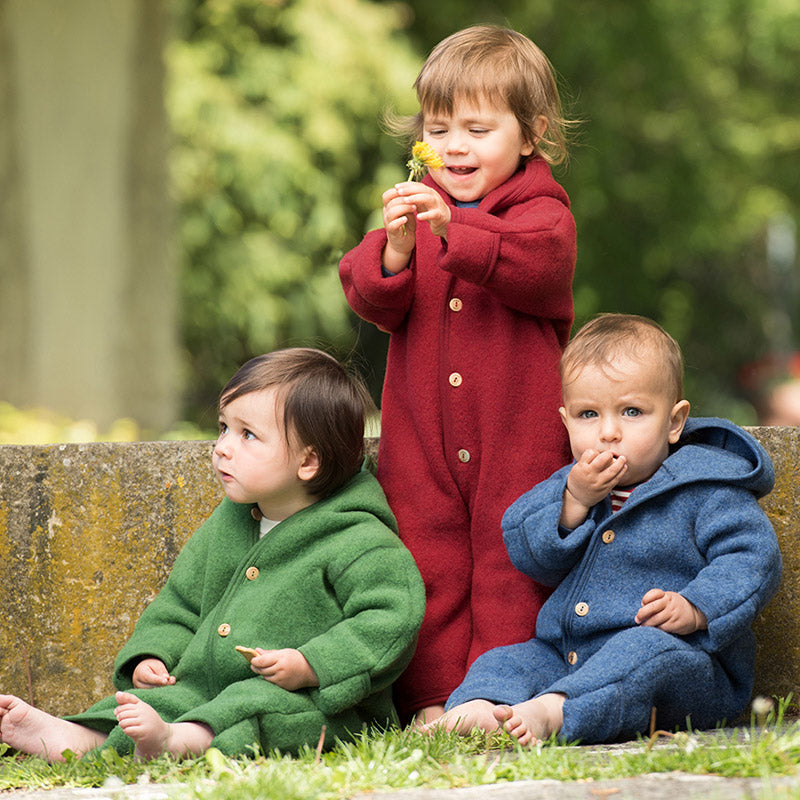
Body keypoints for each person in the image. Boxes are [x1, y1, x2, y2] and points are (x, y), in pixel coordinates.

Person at [0, 348, 426, 761]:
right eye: (223, 427)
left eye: (247, 435)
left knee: (256, 704)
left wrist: (311, 663)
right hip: (205, 687)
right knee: (158, 699)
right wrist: (154, 654)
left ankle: (181, 741)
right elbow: (180, 603)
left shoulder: (355, 536)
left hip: (315, 702)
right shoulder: (230, 523)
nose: (222, 446)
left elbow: (391, 616)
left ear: (308, 461)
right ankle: (81, 736)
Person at [339, 25, 577, 724]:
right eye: (438, 129)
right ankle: (430, 698)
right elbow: (368, 296)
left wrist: (453, 231)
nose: (454, 147)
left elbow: (540, 267)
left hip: (518, 435)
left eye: (478, 128)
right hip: (422, 438)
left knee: (512, 559)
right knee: (426, 556)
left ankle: (499, 690)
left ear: (530, 135)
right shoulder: (417, 210)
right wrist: (395, 252)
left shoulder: (542, 211)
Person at [430, 314, 782, 744]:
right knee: (508, 659)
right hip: (569, 654)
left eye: (632, 412)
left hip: (684, 661)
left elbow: (753, 557)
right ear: (565, 421)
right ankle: (479, 707)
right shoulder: (574, 485)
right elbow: (525, 550)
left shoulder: (706, 486)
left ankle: (554, 712)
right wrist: (573, 502)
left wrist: (696, 607)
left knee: (643, 654)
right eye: (588, 414)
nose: (608, 433)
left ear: (674, 422)